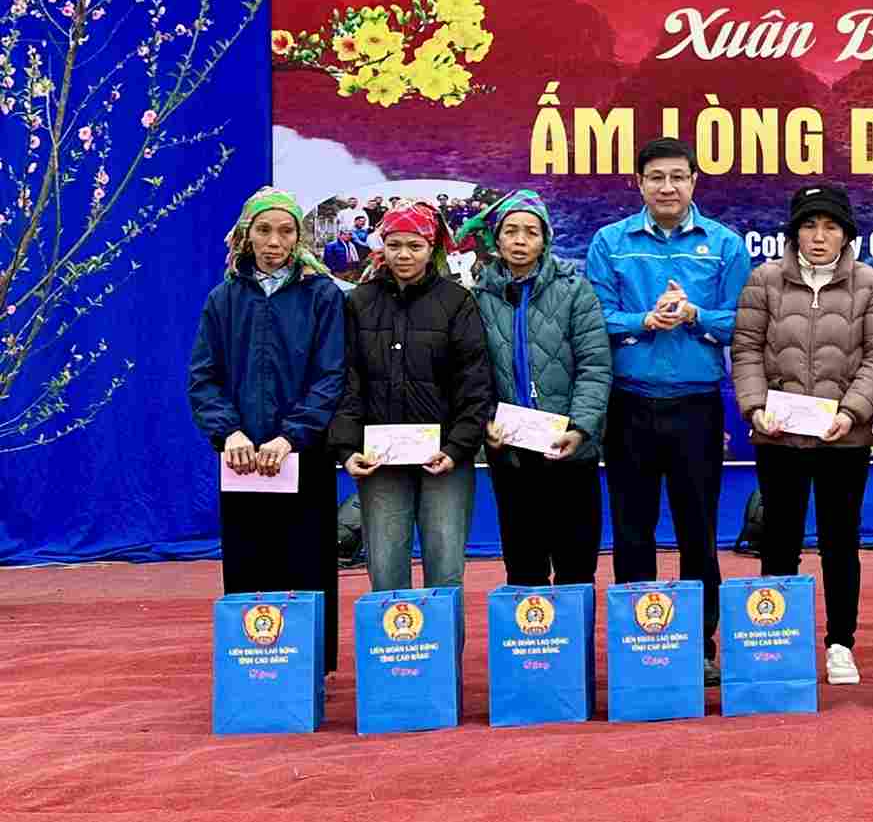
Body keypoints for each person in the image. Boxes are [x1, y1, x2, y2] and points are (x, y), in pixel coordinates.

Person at [586, 137, 751, 685]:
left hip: (696, 407)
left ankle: (700, 645)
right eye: (656, 177)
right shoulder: (609, 242)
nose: (667, 187)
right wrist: (645, 321)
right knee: (632, 531)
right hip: (628, 405)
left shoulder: (724, 245)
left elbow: (744, 321)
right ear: (639, 183)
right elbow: (595, 318)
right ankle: (640, 640)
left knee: (698, 532)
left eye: (678, 177)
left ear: (694, 182)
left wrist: (695, 313)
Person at [731, 183, 873, 686]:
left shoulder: (872, 285)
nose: (819, 236)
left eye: (830, 226)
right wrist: (755, 407)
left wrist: (853, 411)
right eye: (808, 225)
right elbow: (746, 349)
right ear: (794, 232)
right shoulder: (764, 281)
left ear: (847, 234)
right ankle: (777, 638)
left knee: (840, 544)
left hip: (844, 440)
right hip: (779, 438)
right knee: (779, 541)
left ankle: (841, 643)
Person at [187, 187, 346, 673]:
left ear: (299, 237)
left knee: (307, 561)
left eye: (285, 231)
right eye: (263, 230)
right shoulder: (224, 299)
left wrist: (291, 436)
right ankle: (253, 668)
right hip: (243, 461)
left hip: (304, 456)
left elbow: (331, 375)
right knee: (248, 560)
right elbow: (204, 378)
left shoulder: (322, 296)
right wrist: (230, 434)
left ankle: (308, 671)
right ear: (245, 235)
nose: (274, 241)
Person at [330, 202, 494, 599]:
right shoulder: (358, 303)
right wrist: (347, 449)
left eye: (415, 246)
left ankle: (443, 645)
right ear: (382, 247)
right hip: (380, 462)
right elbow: (347, 381)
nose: (404, 255)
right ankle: (392, 642)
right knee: (385, 572)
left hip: (445, 461)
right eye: (394, 245)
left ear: (431, 247)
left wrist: (457, 448)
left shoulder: (457, 301)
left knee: (445, 572)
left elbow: (474, 381)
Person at [462, 189, 613, 588]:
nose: (520, 240)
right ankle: (531, 631)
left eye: (531, 232)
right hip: (511, 453)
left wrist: (580, 428)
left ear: (545, 238)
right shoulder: (478, 296)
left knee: (575, 565)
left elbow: (595, 366)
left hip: (569, 449)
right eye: (510, 231)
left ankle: (574, 632)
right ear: (496, 239)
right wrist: (486, 422)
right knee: (523, 565)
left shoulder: (575, 290)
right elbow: (472, 373)